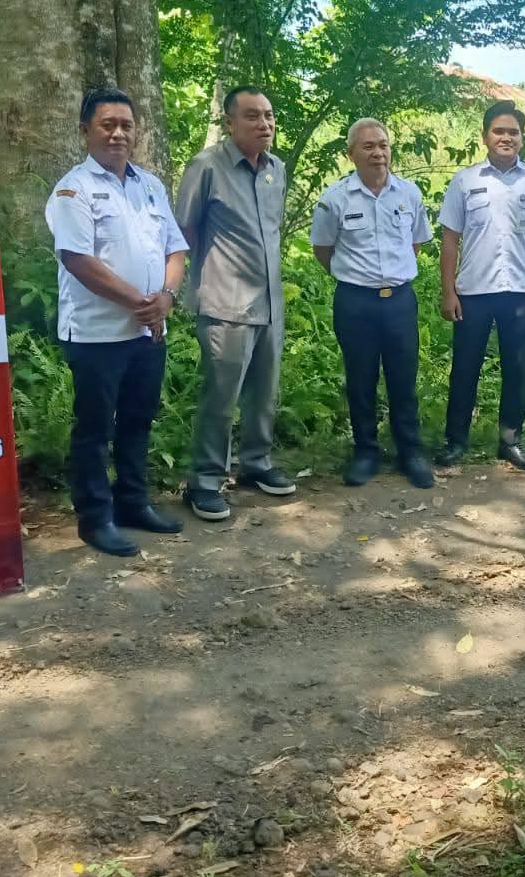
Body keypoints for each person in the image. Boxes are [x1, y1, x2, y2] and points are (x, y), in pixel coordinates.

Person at [46, 88, 189, 557]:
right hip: (96, 334)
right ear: (85, 130)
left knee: (137, 421)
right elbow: (77, 259)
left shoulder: (150, 185)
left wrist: (166, 298)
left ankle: (132, 502)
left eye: (126, 125)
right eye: (107, 124)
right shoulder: (73, 190)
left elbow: (175, 248)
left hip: (148, 329)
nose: (118, 133)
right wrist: (141, 302)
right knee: (94, 429)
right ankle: (95, 519)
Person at [174, 86, 297, 520]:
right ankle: (205, 480)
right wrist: (197, 281)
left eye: (268, 115)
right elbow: (183, 230)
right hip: (226, 304)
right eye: (252, 116)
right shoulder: (207, 166)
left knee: (264, 393)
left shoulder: (275, 169)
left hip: (270, 303)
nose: (264, 124)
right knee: (221, 398)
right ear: (229, 123)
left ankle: (256, 464)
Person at [436, 100, 525, 473]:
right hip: (472, 293)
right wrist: (448, 292)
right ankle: (455, 441)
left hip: (519, 293)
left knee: (516, 370)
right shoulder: (465, 181)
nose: (506, 137)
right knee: (465, 368)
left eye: (513, 132)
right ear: (485, 136)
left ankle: (511, 441)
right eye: (499, 131)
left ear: (523, 138)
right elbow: (449, 241)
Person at [310, 118, 436, 489]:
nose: (378, 153)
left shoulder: (408, 194)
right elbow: (323, 249)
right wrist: (356, 276)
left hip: (399, 301)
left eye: (383, 145)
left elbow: (415, 243)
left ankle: (409, 451)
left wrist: (390, 275)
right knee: (360, 379)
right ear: (351, 154)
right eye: (368, 146)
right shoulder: (334, 199)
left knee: (403, 378)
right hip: (355, 302)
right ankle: (365, 452)